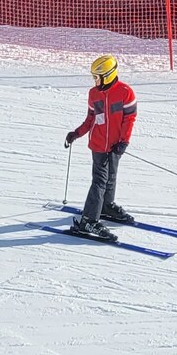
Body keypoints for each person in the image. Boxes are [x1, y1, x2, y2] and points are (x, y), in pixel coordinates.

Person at [63, 54, 138, 240]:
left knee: (111, 176)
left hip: (115, 145)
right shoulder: (93, 93)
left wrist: (124, 141)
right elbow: (90, 119)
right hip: (98, 145)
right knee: (99, 181)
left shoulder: (125, 92)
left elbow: (129, 119)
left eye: (97, 77)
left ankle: (106, 206)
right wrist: (76, 133)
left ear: (108, 75)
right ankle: (88, 221)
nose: (94, 81)